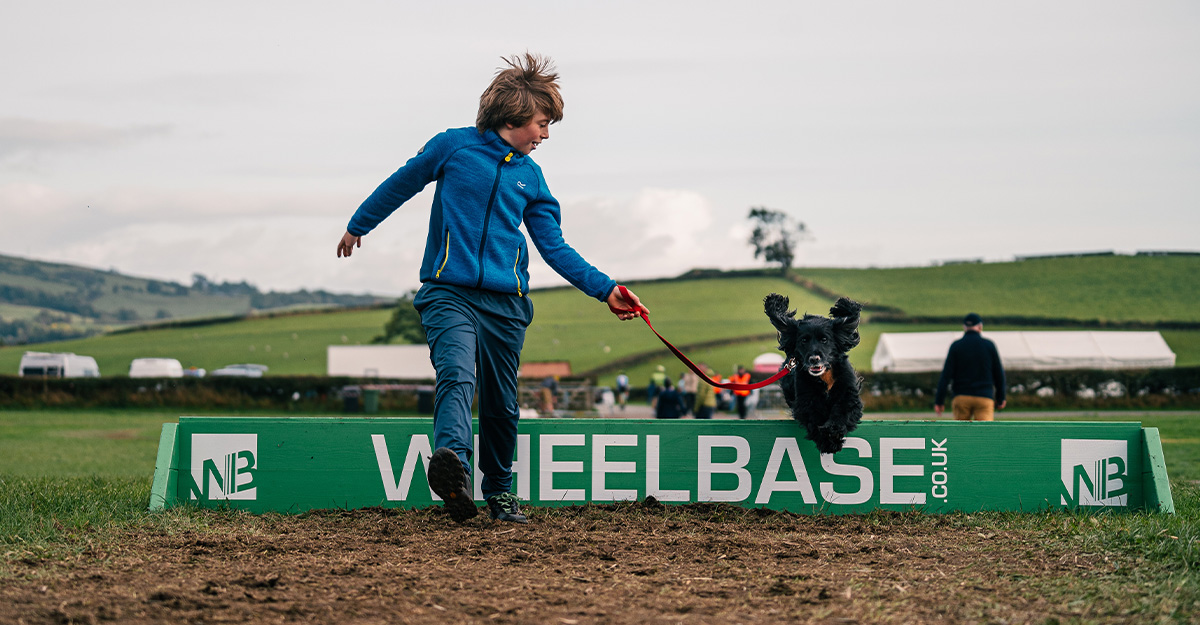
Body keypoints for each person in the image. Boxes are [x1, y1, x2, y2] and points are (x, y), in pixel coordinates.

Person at [336, 53, 645, 524]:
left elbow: (555, 247)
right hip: (448, 293)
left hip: (506, 304)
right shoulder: (453, 148)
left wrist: (606, 290)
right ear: (514, 117)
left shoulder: (531, 177)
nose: (545, 135)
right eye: (543, 123)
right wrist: (360, 225)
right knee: (457, 375)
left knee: (501, 403)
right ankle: (453, 467)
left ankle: (500, 492)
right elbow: (402, 183)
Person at [934, 313, 1006, 421]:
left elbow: (946, 375)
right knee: (984, 433)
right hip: (984, 396)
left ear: (964, 327)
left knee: (961, 434)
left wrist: (939, 401)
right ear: (980, 327)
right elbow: (998, 374)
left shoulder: (956, 346)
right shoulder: (989, 345)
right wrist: (1001, 398)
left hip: (961, 396)